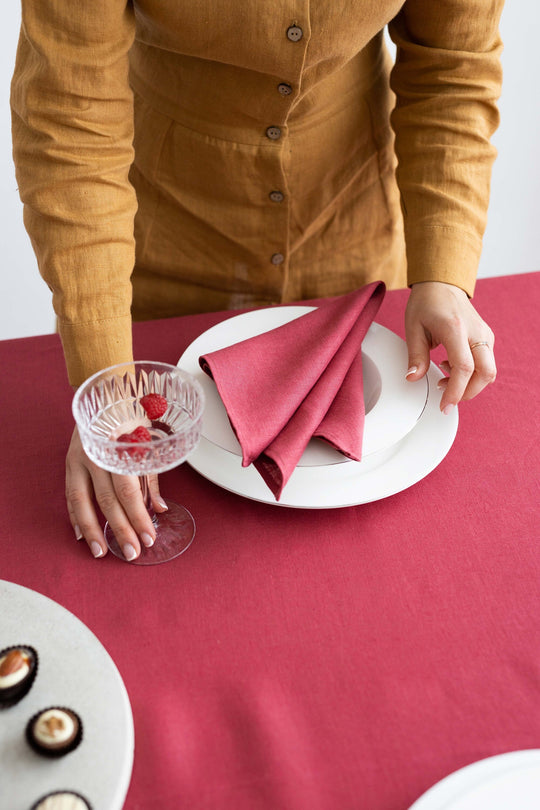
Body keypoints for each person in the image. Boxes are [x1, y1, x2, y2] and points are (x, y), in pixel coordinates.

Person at [11, 0, 503, 561]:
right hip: (159, 245)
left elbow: (452, 64)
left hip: (348, 234)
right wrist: (102, 375)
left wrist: (445, 270)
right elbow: (68, 118)